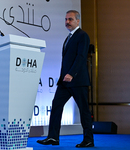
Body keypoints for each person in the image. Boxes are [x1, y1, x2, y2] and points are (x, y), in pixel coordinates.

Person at [37, 10, 94, 148]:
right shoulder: (68, 37)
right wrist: (63, 77)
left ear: (78, 21)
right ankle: (53, 137)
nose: (67, 22)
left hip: (78, 80)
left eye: (70, 19)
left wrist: (72, 73)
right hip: (65, 81)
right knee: (56, 105)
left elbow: (81, 57)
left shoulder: (83, 36)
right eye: (66, 19)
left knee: (83, 110)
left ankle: (88, 140)